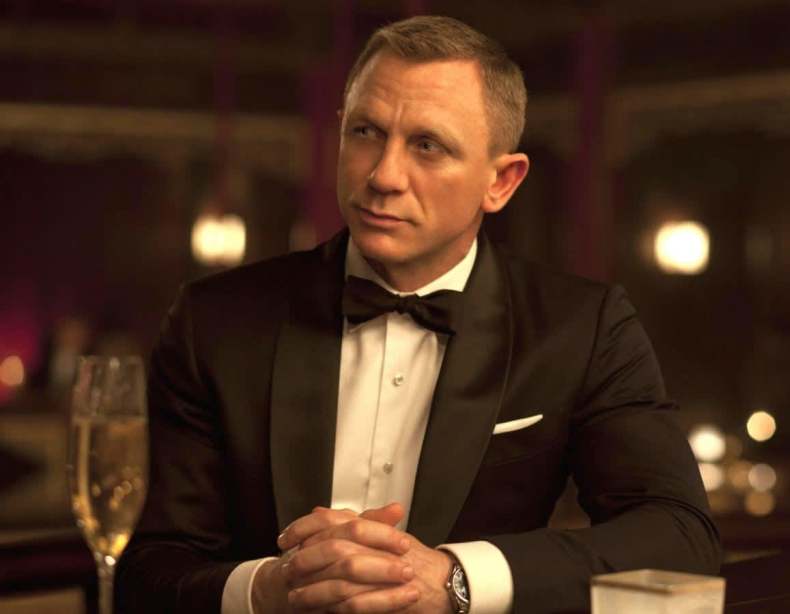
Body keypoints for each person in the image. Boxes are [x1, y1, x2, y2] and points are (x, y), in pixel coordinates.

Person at [117, 15, 720, 614]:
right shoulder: (213, 322)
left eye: (427, 146)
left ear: (501, 182)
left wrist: (457, 579)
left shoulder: (583, 327)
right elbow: (146, 573)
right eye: (365, 132)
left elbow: (679, 536)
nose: (383, 175)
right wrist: (267, 589)